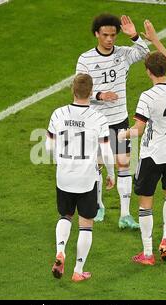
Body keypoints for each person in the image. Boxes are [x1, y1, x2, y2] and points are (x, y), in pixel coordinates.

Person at [118, 20, 166, 265]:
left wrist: (122, 134)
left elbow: (138, 130)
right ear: (165, 69)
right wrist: (155, 39)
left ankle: (147, 254)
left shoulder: (147, 97)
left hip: (153, 155)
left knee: (145, 202)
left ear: (148, 72)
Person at [76, 14, 150, 229]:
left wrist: (135, 36)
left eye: (113, 35)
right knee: (98, 164)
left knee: (124, 163)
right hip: (96, 121)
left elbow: (146, 54)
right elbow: (80, 91)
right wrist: (99, 96)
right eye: (105, 35)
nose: (110, 39)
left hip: (119, 119)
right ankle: (99, 206)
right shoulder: (85, 59)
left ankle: (125, 215)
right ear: (97, 34)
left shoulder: (124, 54)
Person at [46, 73, 115, 282]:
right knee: (86, 224)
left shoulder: (58, 114)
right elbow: (107, 152)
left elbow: (49, 147)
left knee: (65, 216)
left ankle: (60, 251)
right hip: (87, 180)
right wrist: (111, 174)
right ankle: (78, 270)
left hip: (64, 177)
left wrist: (61, 161)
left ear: (72, 91)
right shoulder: (98, 118)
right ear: (91, 92)